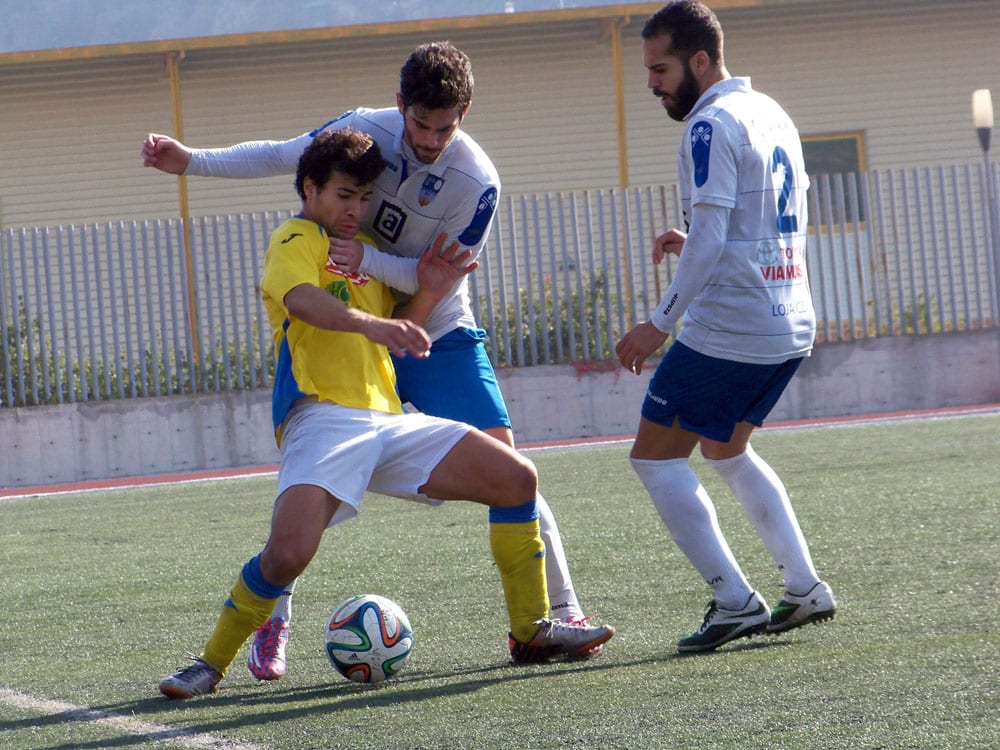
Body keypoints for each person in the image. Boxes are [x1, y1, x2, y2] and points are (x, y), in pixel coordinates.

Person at [142, 41, 602, 681]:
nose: (432, 139)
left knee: (513, 469)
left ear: (465, 112)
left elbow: (434, 278)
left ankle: (557, 615)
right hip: (355, 340)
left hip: (429, 325)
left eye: (446, 127)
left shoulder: (480, 184)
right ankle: (272, 607)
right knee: (299, 532)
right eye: (420, 125)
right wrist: (192, 160)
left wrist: (388, 286)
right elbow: (282, 156)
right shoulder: (342, 164)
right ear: (398, 107)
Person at [614, 0, 836, 653]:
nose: (652, 83)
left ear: (701, 60)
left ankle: (734, 602)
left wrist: (658, 324)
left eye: (660, 69)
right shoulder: (770, 110)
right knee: (726, 449)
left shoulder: (708, 124)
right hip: (791, 318)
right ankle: (805, 587)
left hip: (732, 327)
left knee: (654, 461)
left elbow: (714, 234)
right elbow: (766, 216)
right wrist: (707, 241)